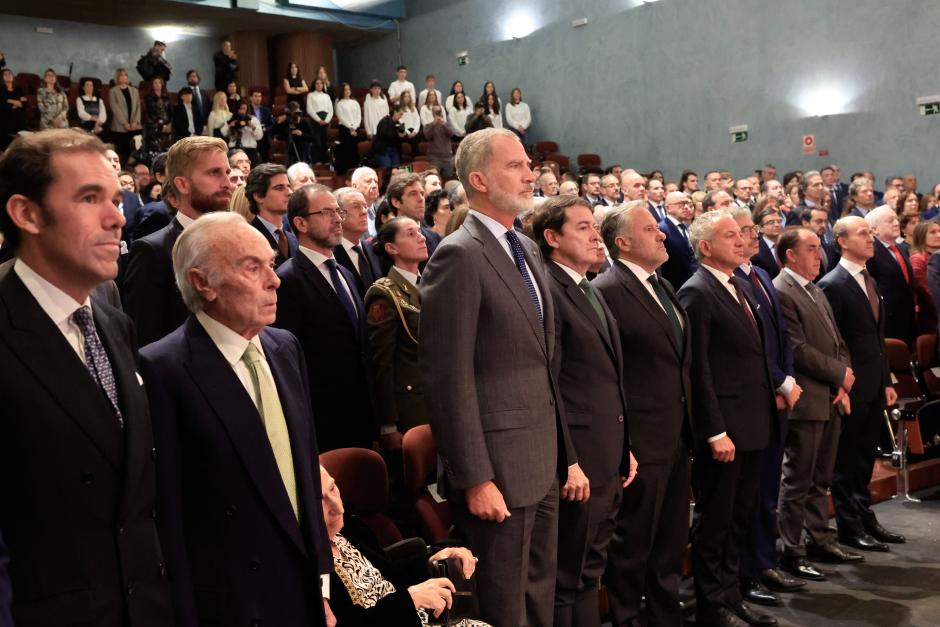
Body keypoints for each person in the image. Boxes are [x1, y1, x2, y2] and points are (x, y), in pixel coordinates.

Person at [0, 128, 175, 626]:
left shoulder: (113, 322)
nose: (117, 218)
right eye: (90, 198)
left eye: (117, 199)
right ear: (26, 214)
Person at [139, 212, 331, 627]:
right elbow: (170, 513)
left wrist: (323, 582)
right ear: (201, 283)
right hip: (233, 602)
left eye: (270, 262)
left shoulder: (285, 347)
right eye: (252, 266)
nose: (274, 278)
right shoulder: (163, 368)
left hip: (303, 589)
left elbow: (303, 478)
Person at [420, 128, 578, 627]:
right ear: (478, 179)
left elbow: (545, 367)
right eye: (515, 165)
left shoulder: (526, 248)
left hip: (543, 460)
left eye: (529, 163)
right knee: (505, 607)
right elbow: (447, 377)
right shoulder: (459, 253)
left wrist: (567, 456)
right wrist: (474, 477)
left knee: (538, 598)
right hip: (498, 470)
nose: (531, 172)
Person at [531, 196, 635, 627]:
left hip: (606, 452)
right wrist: (567, 459)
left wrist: (625, 445)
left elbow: (607, 378)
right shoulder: (549, 290)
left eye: (596, 226)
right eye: (583, 228)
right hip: (579, 459)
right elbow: (549, 384)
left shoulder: (586, 285)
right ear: (552, 238)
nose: (596, 235)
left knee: (591, 568)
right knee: (569, 574)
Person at [677, 210, 779, 627]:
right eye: (730, 236)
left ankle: (732, 593)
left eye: (742, 234)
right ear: (705, 247)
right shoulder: (697, 292)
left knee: (740, 516)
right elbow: (698, 370)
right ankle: (711, 604)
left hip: (754, 422)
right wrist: (714, 429)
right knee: (716, 520)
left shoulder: (737, 284)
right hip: (725, 430)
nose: (741, 242)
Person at [594, 201, 692, 627]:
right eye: (651, 229)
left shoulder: (663, 286)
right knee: (633, 542)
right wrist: (624, 443)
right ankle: (629, 617)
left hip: (676, 435)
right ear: (623, 242)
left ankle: (666, 615)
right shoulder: (607, 290)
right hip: (640, 440)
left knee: (670, 539)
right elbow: (607, 376)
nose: (662, 234)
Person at [772, 227, 862, 583]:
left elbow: (837, 340)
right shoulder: (783, 290)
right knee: (798, 479)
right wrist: (840, 374)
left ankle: (820, 539)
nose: (819, 255)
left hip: (830, 396)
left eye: (818, 248)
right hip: (807, 399)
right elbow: (797, 348)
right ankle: (792, 551)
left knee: (820, 478)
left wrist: (843, 377)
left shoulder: (814, 288)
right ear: (790, 255)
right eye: (810, 249)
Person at [731, 208, 805, 607]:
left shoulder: (759, 275)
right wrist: (779, 381)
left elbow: (782, 335)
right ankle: (749, 569)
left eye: (752, 229)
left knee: (768, 490)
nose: (751, 236)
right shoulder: (729, 283)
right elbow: (753, 350)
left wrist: (788, 379)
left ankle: (764, 561)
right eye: (742, 231)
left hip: (777, 397)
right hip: (758, 401)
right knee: (753, 492)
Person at [818, 216, 902, 553]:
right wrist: (840, 384)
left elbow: (877, 340)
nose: (870, 239)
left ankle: (865, 516)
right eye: (863, 233)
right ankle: (849, 526)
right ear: (841, 240)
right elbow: (833, 343)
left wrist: (887, 380)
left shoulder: (870, 278)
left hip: (873, 384)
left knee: (865, 456)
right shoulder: (833, 284)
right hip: (850, 387)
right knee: (847, 459)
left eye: (870, 233)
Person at [274, 184, 378, 452]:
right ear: (300, 223)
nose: (337, 218)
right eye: (326, 212)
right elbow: (290, 359)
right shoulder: (287, 280)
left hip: (363, 411)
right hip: (323, 420)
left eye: (338, 211)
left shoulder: (343, 272)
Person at [320, 465, 489, 627]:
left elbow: (391, 574)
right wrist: (409, 601)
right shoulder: (308, 568)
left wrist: (432, 560)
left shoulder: (349, 526)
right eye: (321, 501)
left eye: (333, 488)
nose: (338, 507)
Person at [122, 136, 233, 346]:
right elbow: (146, 341)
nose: (227, 183)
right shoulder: (152, 251)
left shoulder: (238, 241)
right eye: (214, 173)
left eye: (227, 172)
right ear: (182, 184)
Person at [365, 216, 428, 441]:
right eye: (411, 234)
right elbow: (382, 363)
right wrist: (388, 424)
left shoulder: (431, 283)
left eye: (420, 232)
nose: (421, 238)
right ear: (391, 247)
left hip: (438, 398)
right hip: (411, 407)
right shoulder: (384, 293)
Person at [864, 205, 916, 347]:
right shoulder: (871, 253)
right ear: (874, 229)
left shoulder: (902, 248)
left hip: (908, 318)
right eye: (890, 220)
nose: (896, 223)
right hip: (888, 322)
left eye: (896, 219)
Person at [246, 163, 297, 268]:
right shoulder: (248, 238)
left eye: (289, 186)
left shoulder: (293, 238)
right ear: (259, 196)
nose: (290, 192)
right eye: (279, 188)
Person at [334, 186, 382, 298]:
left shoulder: (374, 249)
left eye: (365, 206)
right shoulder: (331, 255)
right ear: (339, 214)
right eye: (356, 207)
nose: (364, 212)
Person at [386, 173, 442, 261]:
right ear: (396, 202)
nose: (421, 199)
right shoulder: (385, 242)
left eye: (422, 193)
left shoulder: (435, 238)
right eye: (413, 194)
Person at [658, 190, 698, 288]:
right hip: (676, 286)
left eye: (687, 203)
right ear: (668, 208)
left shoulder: (685, 226)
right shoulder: (661, 229)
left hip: (693, 282)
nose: (686, 207)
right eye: (681, 204)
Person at [909, 220, 940, 335]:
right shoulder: (918, 259)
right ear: (921, 236)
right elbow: (926, 291)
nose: (938, 235)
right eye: (933, 232)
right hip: (930, 316)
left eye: (939, 231)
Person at [108, 68, 142, 163]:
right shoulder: (113, 91)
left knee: (136, 150)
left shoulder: (135, 91)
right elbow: (115, 108)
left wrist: (135, 122)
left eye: (125, 75)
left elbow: (138, 107)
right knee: (122, 151)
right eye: (121, 75)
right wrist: (125, 123)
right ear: (117, 78)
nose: (124, 77)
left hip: (135, 126)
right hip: (120, 127)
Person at [224, 101, 263, 165]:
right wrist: (229, 126)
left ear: (247, 109)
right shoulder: (231, 119)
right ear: (237, 109)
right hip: (234, 148)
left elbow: (259, 137)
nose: (242, 111)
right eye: (240, 109)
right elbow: (223, 133)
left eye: (244, 108)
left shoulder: (253, 119)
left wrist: (253, 127)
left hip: (250, 149)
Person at [335, 82, 362, 173]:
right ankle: (346, 171)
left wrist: (355, 127)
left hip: (355, 128)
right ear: (342, 91)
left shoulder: (355, 102)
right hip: (345, 129)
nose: (347, 91)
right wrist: (350, 127)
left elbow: (358, 116)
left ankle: (355, 170)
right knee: (346, 150)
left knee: (355, 150)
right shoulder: (339, 103)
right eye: (345, 90)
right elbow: (341, 117)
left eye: (349, 89)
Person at [306, 78, 334, 164]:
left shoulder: (327, 96)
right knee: (316, 141)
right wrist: (318, 120)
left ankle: (325, 160)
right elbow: (309, 109)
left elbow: (330, 110)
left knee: (324, 141)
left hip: (325, 120)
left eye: (321, 84)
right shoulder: (311, 95)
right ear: (314, 85)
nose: (319, 85)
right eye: (317, 84)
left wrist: (326, 120)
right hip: (315, 120)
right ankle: (317, 160)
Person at [752, 206, 783, 278]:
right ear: (760, 228)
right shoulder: (756, 252)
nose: (777, 225)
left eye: (779, 221)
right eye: (771, 222)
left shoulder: (788, 243)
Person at [423, 105, 455, 177]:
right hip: (434, 158)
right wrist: (434, 124)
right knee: (434, 179)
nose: (437, 114)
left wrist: (443, 124)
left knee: (448, 179)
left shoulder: (447, 124)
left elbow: (451, 133)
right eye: (435, 112)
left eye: (438, 112)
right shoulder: (428, 126)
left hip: (447, 158)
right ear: (432, 114)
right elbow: (427, 136)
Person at [143, 76, 172, 155]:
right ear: (152, 85)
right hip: (154, 128)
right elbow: (147, 114)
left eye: (159, 82)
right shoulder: (148, 97)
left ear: (162, 84)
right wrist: (160, 126)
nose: (157, 84)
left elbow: (171, 112)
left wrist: (169, 125)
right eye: (155, 83)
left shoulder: (167, 97)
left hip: (168, 127)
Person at [0, 68, 27, 150]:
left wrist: (10, 100)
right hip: (5, 117)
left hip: (19, 117)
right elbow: (2, 105)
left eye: (10, 73)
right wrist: (17, 102)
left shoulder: (18, 89)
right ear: (1, 77)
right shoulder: (1, 90)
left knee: (18, 113)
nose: (8, 75)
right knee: (12, 113)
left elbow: (25, 103)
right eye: (6, 74)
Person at [184, 69, 210, 134]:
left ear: (198, 78)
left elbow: (208, 107)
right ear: (187, 79)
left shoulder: (205, 93)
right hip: (192, 126)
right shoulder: (185, 92)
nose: (192, 78)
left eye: (194, 76)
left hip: (206, 124)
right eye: (190, 76)